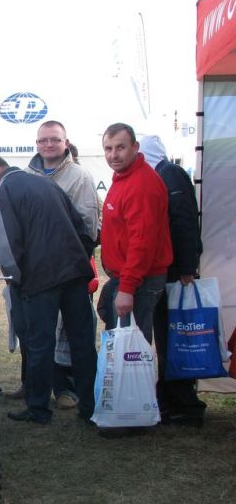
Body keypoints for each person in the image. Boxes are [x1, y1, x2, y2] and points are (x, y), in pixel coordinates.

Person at [0, 154, 97, 425]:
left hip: (39, 279)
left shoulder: (0, 193)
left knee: (39, 344)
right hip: (74, 272)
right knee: (82, 342)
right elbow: (82, 227)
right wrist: (79, 259)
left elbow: (5, 246)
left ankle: (39, 409)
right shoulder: (46, 183)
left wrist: (17, 280)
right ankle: (89, 407)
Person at [25, 120, 100, 409]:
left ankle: (88, 404)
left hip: (70, 274)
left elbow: (89, 227)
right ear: (37, 143)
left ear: (65, 143)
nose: (48, 145)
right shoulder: (27, 176)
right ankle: (38, 406)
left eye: (54, 140)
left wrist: (71, 263)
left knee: (80, 340)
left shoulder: (79, 176)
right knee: (41, 341)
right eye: (43, 140)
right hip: (40, 275)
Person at [140, 135, 206, 426]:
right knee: (168, 337)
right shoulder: (162, 175)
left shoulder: (170, 175)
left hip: (176, 272)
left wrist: (187, 267)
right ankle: (169, 398)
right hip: (169, 270)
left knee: (174, 338)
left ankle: (184, 403)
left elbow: (185, 221)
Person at [98, 123, 172, 341]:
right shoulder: (124, 177)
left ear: (135, 147)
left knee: (132, 354)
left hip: (139, 281)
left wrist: (127, 288)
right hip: (128, 278)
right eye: (108, 149)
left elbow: (142, 242)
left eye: (120, 147)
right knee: (125, 348)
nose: (113, 155)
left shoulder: (141, 184)